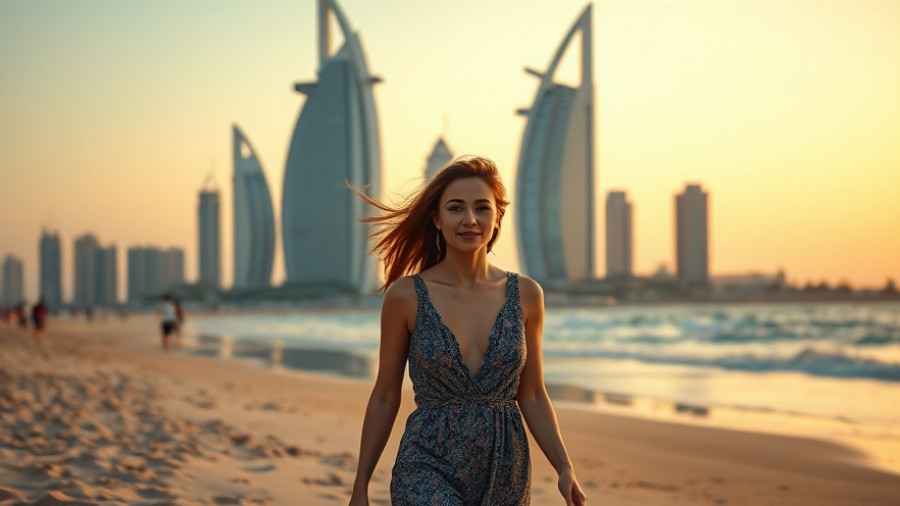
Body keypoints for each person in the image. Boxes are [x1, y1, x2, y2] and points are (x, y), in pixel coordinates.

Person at [348, 156, 586, 505]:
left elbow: (532, 393)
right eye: (456, 208)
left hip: (505, 468)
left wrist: (565, 467)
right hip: (426, 463)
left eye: (481, 208)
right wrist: (360, 486)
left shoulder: (528, 295)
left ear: (497, 217)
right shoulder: (406, 296)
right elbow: (385, 395)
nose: (470, 219)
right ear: (437, 219)